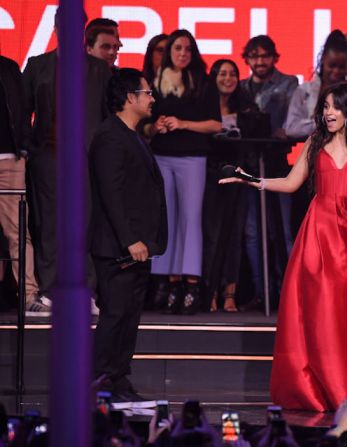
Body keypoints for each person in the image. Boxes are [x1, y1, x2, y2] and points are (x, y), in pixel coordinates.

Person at [220, 82, 347, 411]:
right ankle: (330, 387)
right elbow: (290, 182)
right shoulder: (316, 141)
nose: (328, 112)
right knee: (326, 313)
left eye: (334, 106)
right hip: (321, 233)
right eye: (325, 106)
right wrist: (250, 179)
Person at [23, 7, 109, 315]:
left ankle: (85, 290)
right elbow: (23, 111)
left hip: (86, 158)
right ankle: (50, 288)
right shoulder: (37, 66)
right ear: (57, 28)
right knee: (48, 223)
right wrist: (26, 148)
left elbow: (109, 116)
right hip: (47, 156)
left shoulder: (100, 70)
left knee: (85, 224)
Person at [89, 68, 167, 403]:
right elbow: (111, 193)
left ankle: (119, 380)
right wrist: (129, 240)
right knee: (115, 315)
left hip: (138, 247)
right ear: (129, 97)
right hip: (119, 247)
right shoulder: (110, 136)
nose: (152, 99)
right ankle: (100, 381)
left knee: (129, 317)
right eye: (147, 93)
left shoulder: (132, 135)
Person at [145, 29, 221, 314]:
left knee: (190, 220)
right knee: (167, 220)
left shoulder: (203, 83)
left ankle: (191, 282)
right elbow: (145, 124)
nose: (183, 54)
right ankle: (168, 280)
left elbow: (216, 124)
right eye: (177, 48)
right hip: (162, 157)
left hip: (192, 158)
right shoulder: (156, 83)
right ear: (169, 52)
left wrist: (183, 123)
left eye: (188, 49)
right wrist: (156, 127)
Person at [238, 35, 298, 308]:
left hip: (277, 164)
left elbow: (289, 121)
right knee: (252, 231)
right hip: (248, 165)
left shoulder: (289, 84)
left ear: (275, 57)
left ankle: (287, 292)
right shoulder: (239, 88)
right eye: (254, 56)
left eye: (265, 56)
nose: (260, 61)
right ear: (247, 59)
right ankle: (263, 294)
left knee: (282, 231)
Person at [202, 59, 257, 312]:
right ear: (213, 77)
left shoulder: (247, 109)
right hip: (209, 176)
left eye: (233, 74)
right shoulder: (203, 108)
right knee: (211, 236)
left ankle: (230, 293)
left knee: (235, 235)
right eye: (222, 73)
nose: (228, 78)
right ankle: (209, 291)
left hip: (239, 176)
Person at [0, 55, 42, 314]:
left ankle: (28, 295)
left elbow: (23, 109)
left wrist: (24, 149)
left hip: (9, 160)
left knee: (18, 231)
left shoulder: (8, 67)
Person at [285, 30, 347, 138]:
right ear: (323, 59)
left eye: (341, 67)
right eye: (332, 66)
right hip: (312, 152)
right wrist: (327, 123)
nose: (336, 71)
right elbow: (291, 128)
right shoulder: (304, 91)